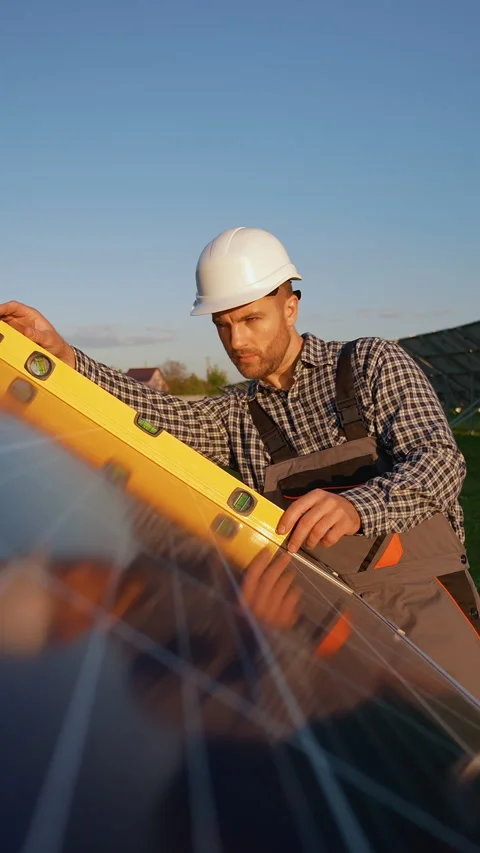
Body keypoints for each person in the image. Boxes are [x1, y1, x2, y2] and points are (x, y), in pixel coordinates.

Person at [1, 226, 480, 698]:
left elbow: (439, 461)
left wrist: (357, 507)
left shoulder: (371, 363)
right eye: (223, 326)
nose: (236, 341)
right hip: (335, 635)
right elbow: (157, 415)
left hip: (428, 605)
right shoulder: (235, 415)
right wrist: (64, 358)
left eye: (252, 320)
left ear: (290, 307)